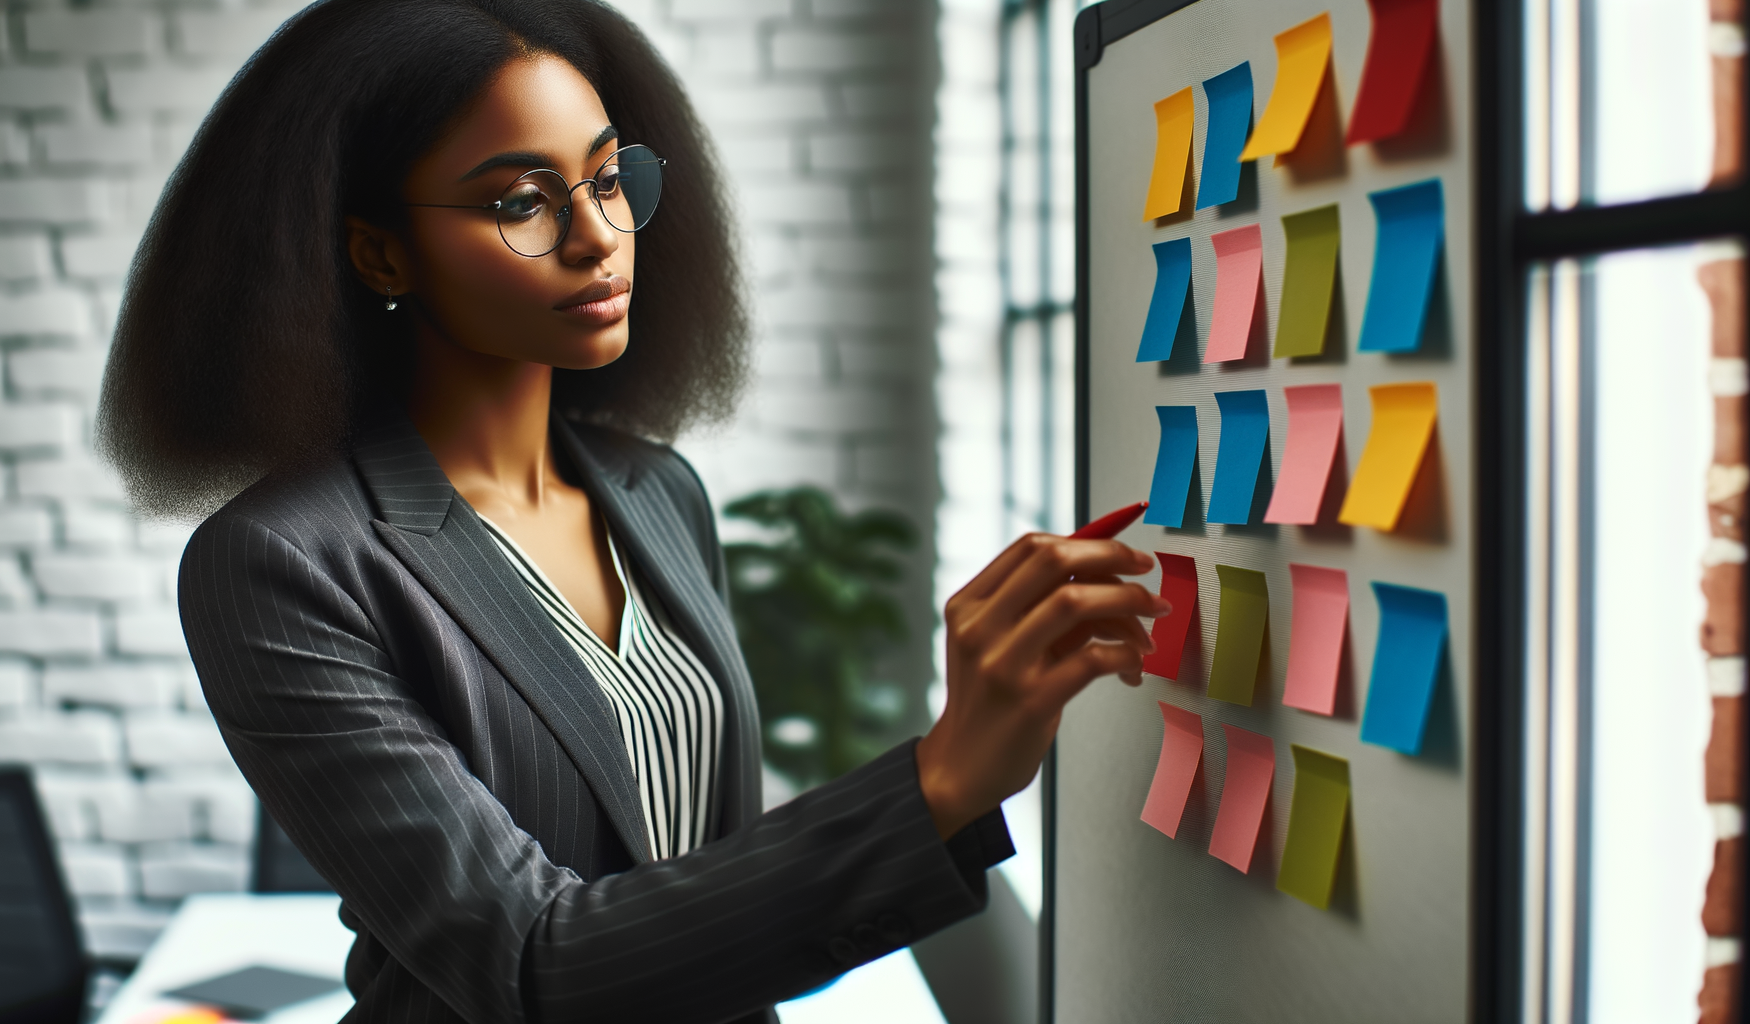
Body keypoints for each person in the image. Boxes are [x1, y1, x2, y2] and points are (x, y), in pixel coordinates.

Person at [99, 1, 1170, 1020]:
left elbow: (705, 870)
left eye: (609, 180)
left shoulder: (656, 491)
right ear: (380, 250)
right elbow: (530, 965)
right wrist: (939, 778)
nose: (596, 236)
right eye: (520, 200)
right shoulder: (282, 563)